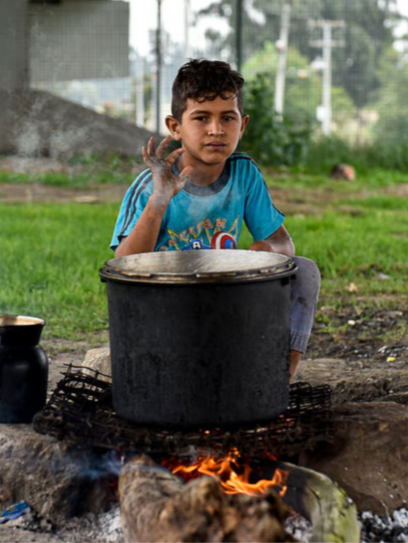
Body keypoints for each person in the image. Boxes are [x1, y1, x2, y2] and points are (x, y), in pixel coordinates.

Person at [110, 59, 320, 380]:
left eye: (227, 118)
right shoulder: (151, 186)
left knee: (304, 270)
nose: (216, 130)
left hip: (224, 297)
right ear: (175, 127)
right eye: (201, 118)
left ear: (243, 125)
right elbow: (123, 266)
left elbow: (283, 242)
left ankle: (279, 380)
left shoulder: (243, 173)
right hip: (165, 308)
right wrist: (159, 201)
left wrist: (264, 251)